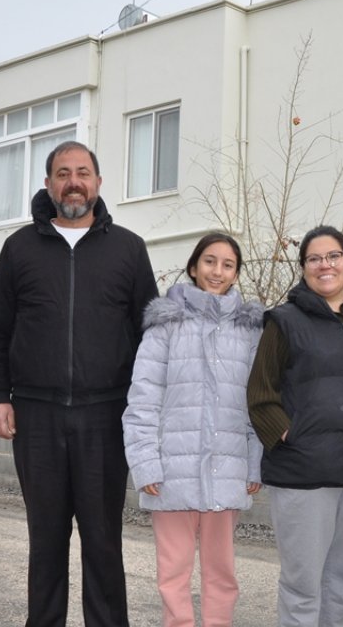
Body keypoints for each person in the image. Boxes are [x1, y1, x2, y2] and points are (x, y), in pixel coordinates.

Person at [0, 140, 158, 627]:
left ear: (98, 183)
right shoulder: (19, 249)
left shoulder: (128, 249)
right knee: (47, 539)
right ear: (47, 183)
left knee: (103, 541)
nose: (73, 182)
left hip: (107, 415)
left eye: (82, 172)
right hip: (36, 415)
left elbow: (151, 336)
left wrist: (148, 409)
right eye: (63, 173)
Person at [247, 225, 343, 627]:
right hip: (303, 473)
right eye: (314, 258)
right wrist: (291, 436)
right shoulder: (284, 321)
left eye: (333, 256)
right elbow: (260, 393)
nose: (324, 265)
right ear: (303, 267)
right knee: (302, 584)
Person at [122, 233, 264, 627]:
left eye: (228, 264)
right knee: (173, 574)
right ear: (193, 266)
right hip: (171, 474)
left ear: (236, 273)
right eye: (209, 261)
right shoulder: (166, 324)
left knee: (222, 573)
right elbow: (143, 399)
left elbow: (258, 402)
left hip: (228, 470)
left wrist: (254, 463)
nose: (217, 271)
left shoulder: (251, 330)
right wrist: (146, 463)